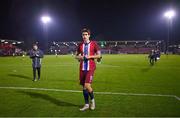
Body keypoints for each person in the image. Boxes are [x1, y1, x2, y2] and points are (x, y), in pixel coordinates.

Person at [75, 28, 101, 111]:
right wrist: (80, 57)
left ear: (89, 35)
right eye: (83, 35)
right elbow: (76, 56)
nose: (84, 36)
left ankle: (93, 102)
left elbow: (99, 55)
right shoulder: (80, 45)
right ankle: (86, 104)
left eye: (86, 34)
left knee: (87, 85)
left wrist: (90, 56)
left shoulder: (94, 44)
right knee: (84, 87)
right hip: (82, 68)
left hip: (91, 67)